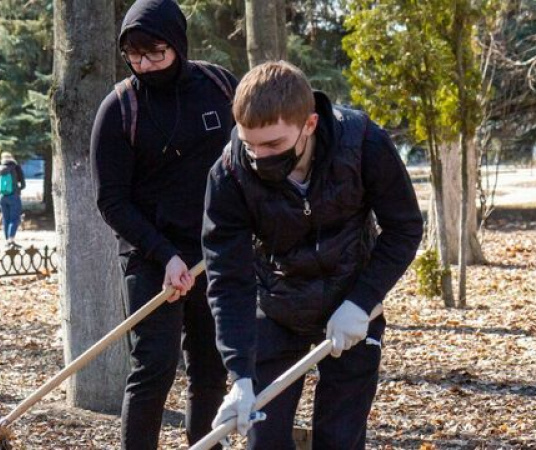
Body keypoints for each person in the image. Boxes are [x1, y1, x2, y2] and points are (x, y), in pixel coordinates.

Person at [201, 61, 423, 449]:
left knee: (339, 441)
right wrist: (238, 375)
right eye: (249, 143)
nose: (259, 157)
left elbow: (404, 227)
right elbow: (227, 278)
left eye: (274, 145)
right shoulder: (230, 174)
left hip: (352, 308)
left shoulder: (363, 144)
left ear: (310, 125)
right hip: (275, 307)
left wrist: (361, 301)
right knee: (264, 443)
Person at [90, 0, 238, 448]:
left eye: (156, 53)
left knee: (210, 366)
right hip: (150, 253)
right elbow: (111, 200)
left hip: (213, 250)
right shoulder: (119, 110)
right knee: (153, 365)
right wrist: (165, 255)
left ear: (178, 44)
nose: (145, 65)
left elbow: (246, 159)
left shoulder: (218, 85)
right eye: (134, 56)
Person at [0, 151, 25, 247]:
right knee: (14, 218)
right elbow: (23, 184)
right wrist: (18, 189)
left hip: (3, 197)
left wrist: (2, 192)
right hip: (14, 197)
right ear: (11, 158)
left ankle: (7, 241)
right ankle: (10, 240)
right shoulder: (16, 167)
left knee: (6, 219)